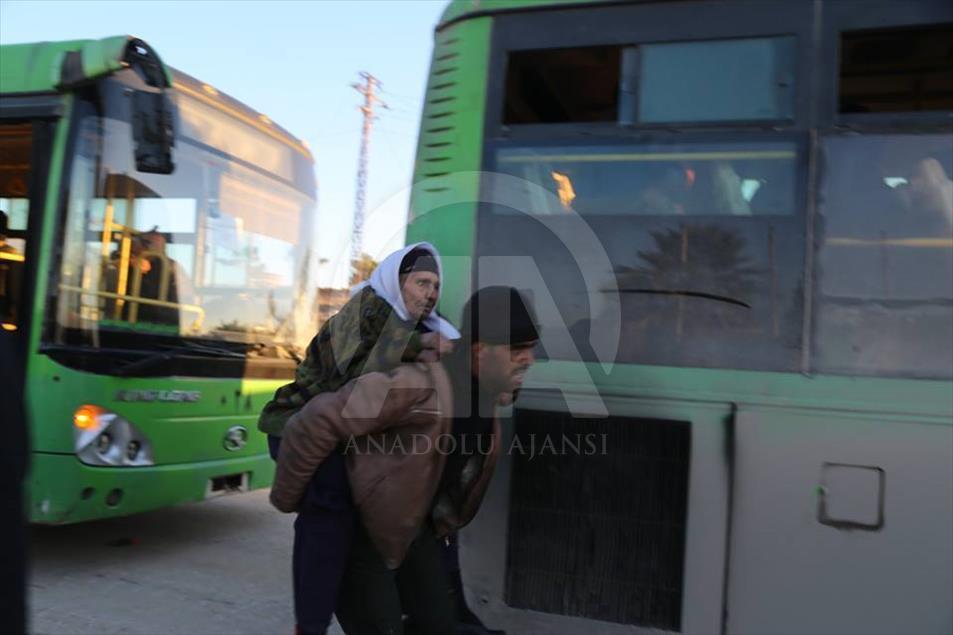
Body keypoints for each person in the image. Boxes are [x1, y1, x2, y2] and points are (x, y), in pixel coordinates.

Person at [271, 286, 540, 635]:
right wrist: (290, 498)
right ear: (478, 350)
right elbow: (315, 421)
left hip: (413, 532)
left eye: (531, 349)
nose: (529, 359)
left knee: (439, 625)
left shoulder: (487, 398)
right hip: (362, 538)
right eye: (517, 349)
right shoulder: (417, 387)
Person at [258, 242, 459, 635]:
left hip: (338, 434)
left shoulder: (425, 326)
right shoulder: (362, 311)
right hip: (295, 424)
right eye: (421, 282)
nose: (431, 293)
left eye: (435, 285)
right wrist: (418, 348)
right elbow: (358, 367)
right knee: (329, 511)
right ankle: (310, 624)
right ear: (394, 282)